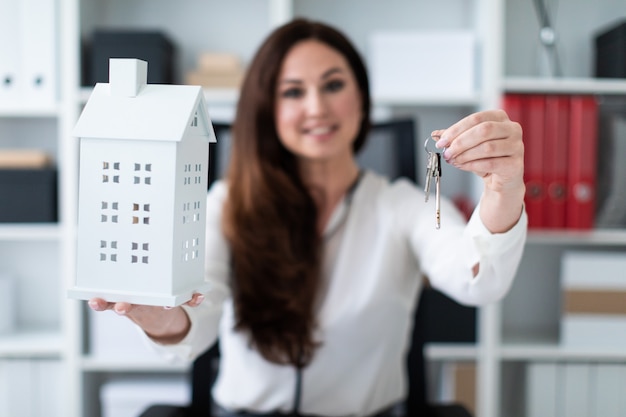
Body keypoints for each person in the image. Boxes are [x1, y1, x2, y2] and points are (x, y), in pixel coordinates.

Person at [88, 18, 527, 417]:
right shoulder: (226, 204)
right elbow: (199, 312)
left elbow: (479, 278)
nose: (316, 107)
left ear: (361, 97)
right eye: (293, 91)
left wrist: (503, 187)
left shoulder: (402, 206)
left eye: (333, 85)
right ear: (268, 109)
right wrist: (158, 316)